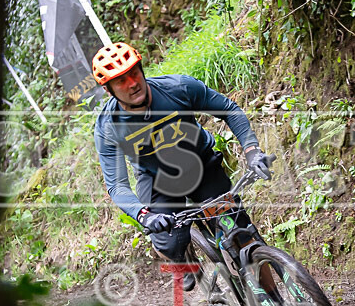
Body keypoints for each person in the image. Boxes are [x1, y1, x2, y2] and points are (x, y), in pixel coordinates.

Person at [92, 42, 273, 291]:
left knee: (242, 236)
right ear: (109, 89)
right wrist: (144, 215)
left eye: (134, 73)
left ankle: (279, 305)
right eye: (121, 80)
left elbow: (229, 110)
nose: (132, 83)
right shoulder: (108, 126)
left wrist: (252, 151)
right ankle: (181, 259)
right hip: (158, 180)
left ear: (142, 69)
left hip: (202, 165)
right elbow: (117, 185)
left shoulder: (178, 88)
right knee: (169, 240)